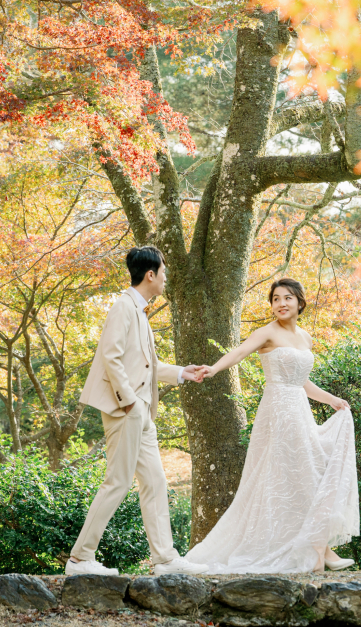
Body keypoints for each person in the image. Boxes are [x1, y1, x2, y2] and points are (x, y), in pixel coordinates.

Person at [184, 277, 359, 573]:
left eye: (287, 298)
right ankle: (320, 550)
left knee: (304, 473)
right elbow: (239, 352)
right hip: (277, 411)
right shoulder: (266, 333)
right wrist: (213, 369)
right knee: (298, 474)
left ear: (299, 302)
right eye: (276, 299)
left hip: (299, 410)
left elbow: (301, 381)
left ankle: (319, 547)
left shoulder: (305, 338)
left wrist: (331, 400)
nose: (281, 303)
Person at [66, 246, 209, 577]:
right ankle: (79, 559)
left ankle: (165, 558)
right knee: (117, 482)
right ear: (151, 275)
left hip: (142, 411)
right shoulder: (123, 307)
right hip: (127, 409)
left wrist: (182, 372)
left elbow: (144, 366)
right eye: (164, 272)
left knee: (155, 481)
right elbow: (110, 356)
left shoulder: (139, 310)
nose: (166, 278)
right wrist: (128, 401)